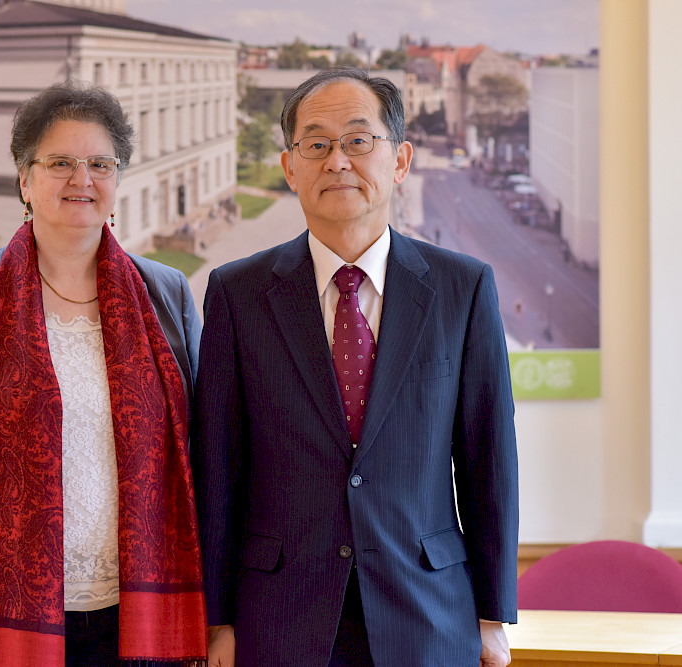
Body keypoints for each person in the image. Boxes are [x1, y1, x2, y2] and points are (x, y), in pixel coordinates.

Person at [191, 67, 518, 666]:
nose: (337, 161)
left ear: (400, 160)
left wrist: (493, 615)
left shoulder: (463, 288)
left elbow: (488, 458)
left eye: (358, 140)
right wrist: (220, 620)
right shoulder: (238, 294)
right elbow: (218, 467)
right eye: (316, 144)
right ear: (290, 168)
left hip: (427, 611)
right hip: (279, 618)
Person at [0, 81, 207, 667]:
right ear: (25, 180)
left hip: (139, 614)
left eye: (100, 164)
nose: (81, 179)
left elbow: (205, 462)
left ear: (117, 180)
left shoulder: (167, 293)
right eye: (60, 162)